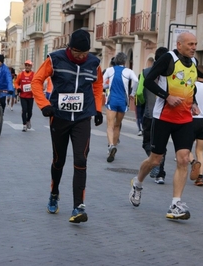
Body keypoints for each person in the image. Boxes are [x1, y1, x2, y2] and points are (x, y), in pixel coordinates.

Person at [31, 29, 104, 223]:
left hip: (82, 117)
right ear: (70, 48)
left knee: (81, 159)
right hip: (59, 116)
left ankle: (78, 207)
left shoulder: (93, 63)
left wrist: (97, 109)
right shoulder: (55, 59)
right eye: (78, 52)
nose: (81, 57)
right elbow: (36, 81)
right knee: (59, 160)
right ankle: (54, 193)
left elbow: (97, 86)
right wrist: (44, 105)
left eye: (84, 53)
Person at [129, 32, 200, 220]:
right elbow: (149, 81)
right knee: (155, 160)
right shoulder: (169, 58)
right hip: (163, 118)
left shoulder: (194, 63)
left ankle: (175, 204)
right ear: (179, 44)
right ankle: (137, 183)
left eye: (195, 44)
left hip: (184, 119)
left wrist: (193, 104)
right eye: (190, 44)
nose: (193, 47)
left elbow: (190, 86)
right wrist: (166, 96)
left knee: (183, 159)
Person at [136, 46, 169, 184]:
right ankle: (160, 174)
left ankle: (154, 162)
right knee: (162, 145)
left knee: (147, 143)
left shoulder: (145, 72)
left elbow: (139, 93)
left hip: (150, 114)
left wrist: (143, 105)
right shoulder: (170, 73)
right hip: (165, 115)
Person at [103, 52, 138, 163]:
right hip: (123, 101)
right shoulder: (129, 71)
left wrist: (106, 87)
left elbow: (101, 81)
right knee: (117, 125)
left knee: (110, 125)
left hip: (112, 100)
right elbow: (137, 81)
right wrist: (133, 93)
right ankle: (113, 147)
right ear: (125, 61)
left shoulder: (110, 70)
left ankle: (111, 146)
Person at [14, 60, 35, 131]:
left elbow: (37, 83)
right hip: (23, 96)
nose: (27, 67)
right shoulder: (21, 74)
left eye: (29, 65)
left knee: (30, 111)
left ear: (31, 66)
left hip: (31, 96)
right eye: (26, 65)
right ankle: (24, 125)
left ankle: (28, 120)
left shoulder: (34, 75)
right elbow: (16, 83)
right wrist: (18, 88)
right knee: (24, 110)